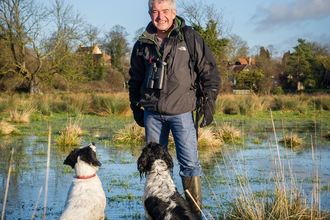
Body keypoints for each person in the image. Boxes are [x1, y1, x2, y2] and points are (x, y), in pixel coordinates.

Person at [128, 0, 220, 218]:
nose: (161, 17)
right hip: (152, 113)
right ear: (150, 13)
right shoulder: (142, 42)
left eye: (165, 11)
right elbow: (135, 78)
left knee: (189, 165)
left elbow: (209, 73)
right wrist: (136, 106)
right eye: (156, 12)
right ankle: (160, 215)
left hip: (182, 111)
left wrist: (209, 104)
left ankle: (193, 216)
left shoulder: (190, 37)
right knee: (155, 166)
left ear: (174, 12)